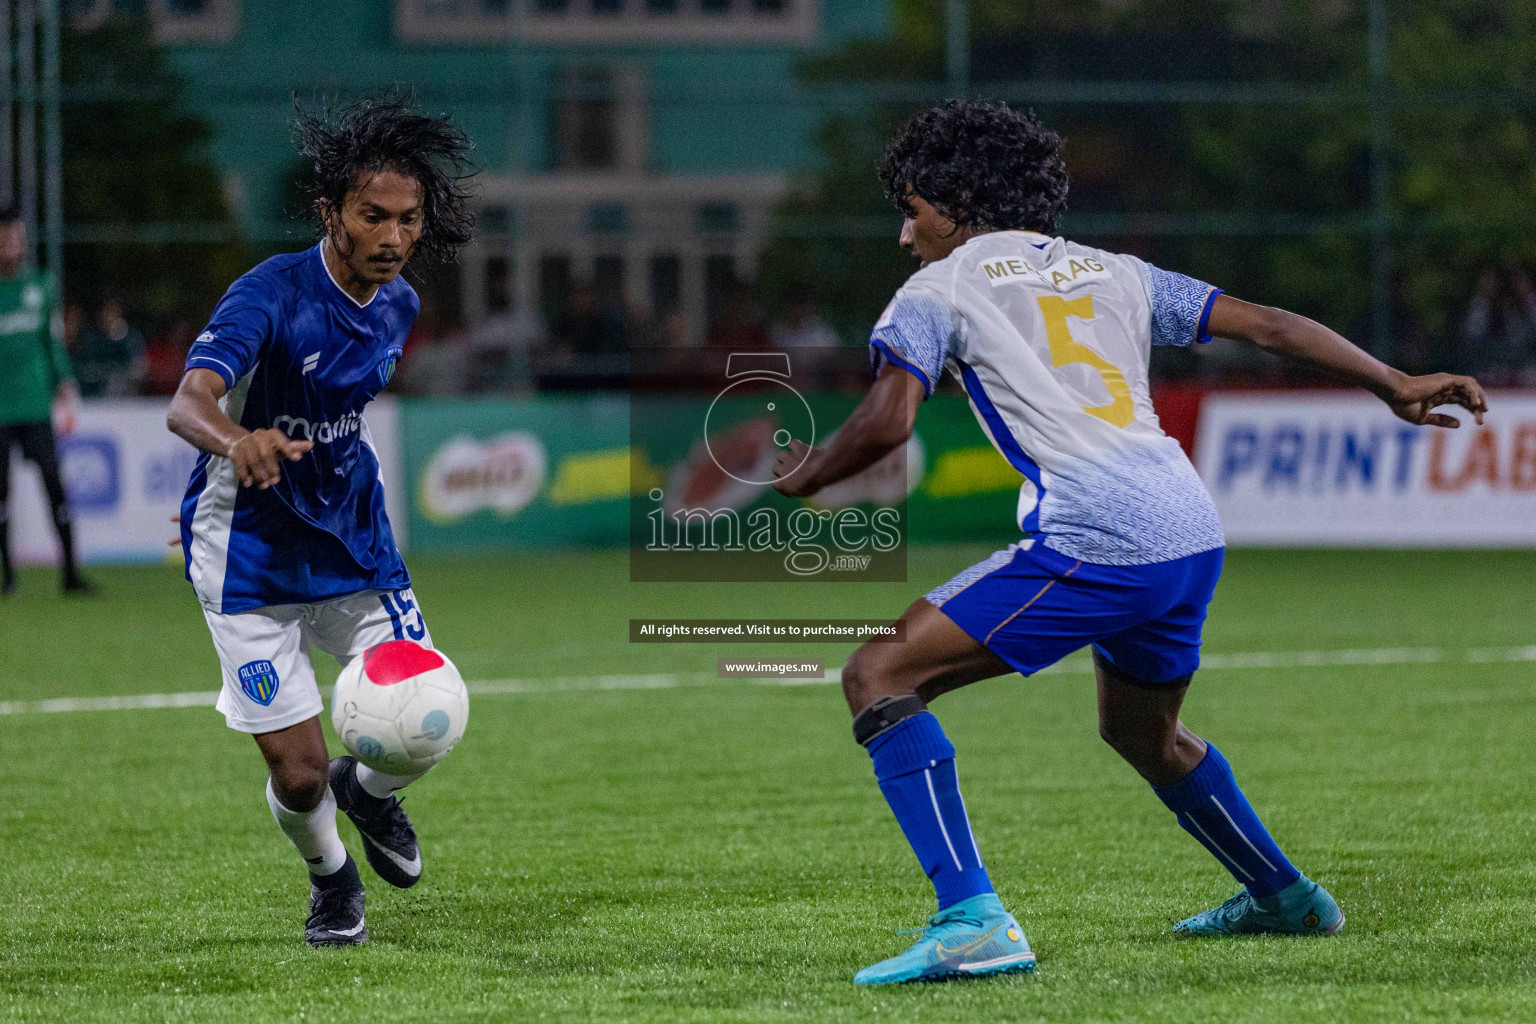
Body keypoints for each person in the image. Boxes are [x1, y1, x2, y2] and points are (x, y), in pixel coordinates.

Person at [770, 100, 1488, 985]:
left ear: (957, 205)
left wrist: (808, 474)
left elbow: (887, 421)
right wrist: (1391, 381)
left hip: (1101, 532)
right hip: (1188, 527)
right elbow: (1267, 325)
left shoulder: (939, 288)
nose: (905, 234)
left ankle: (972, 920)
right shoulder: (1115, 272)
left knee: (879, 675)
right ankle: (1284, 896)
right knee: (1146, 736)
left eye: (912, 210)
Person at [166, 92, 475, 947]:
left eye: (408, 220)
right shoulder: (269, 294)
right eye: (373, 216)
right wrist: (236, 443)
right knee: (300, 779)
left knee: (429, 710)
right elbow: (188, 403)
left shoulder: (400, 304)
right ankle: (332, 879)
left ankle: (370, 795)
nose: (392, 237)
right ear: (330, 211)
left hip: (356, 547)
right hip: (249, 559)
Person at [0, 202, 92, 597]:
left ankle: (71, 575)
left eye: (14, 234)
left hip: (36, 407)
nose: (10, 242)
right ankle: (8, 579)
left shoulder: (40, 285)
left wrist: (65, 382)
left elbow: (52, 342)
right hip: (0, 411)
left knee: (55, 486)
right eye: (3, 235)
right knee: (0, 495)